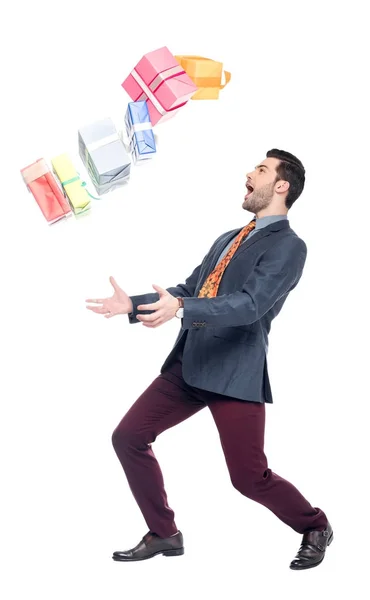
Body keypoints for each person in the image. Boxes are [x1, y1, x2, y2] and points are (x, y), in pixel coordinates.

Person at [86, 148, 333, 570]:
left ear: (281, 186)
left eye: (260, 169)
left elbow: (250, 304)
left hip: (234, 371)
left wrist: (182, 310)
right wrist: (133, 306)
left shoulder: (290, 247)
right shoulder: (228, 237)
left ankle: (314, 525)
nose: (248, 174)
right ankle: (164, 534)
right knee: (127, 437)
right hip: (190, 364)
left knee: (248, 478)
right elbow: (190, 288)